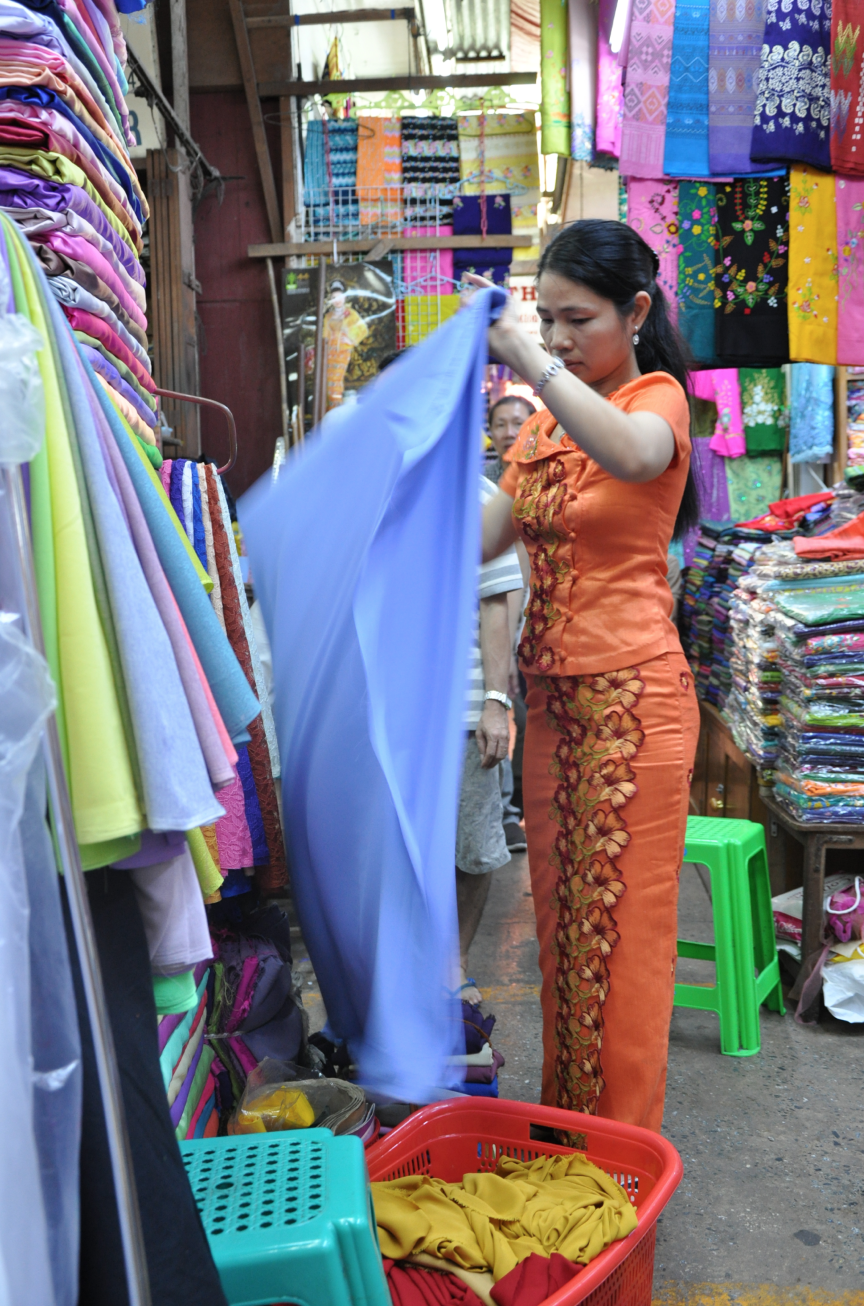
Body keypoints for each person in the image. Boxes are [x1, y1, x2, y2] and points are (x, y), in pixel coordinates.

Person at [472, 218, 700, 1133]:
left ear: (635, 310)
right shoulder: (539, 439)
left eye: (578, 319)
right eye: (547, 319)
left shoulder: (656, 402)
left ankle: (620, 1165)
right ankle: (574, 1144)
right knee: (568, 945)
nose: (560, 338)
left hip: (635, 707)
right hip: (558, 708)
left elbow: (636, 457)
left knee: (626, 949)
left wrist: (529, 361)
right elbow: (484, 542)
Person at [456, 475, 525, 1003]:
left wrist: (496, 703)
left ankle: (453, 968)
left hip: (460, 708)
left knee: (471, 847)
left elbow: (498, 601)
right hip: (387, 714)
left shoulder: (476, 493)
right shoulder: (370, 484)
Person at [486, 394, 538, 484]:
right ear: (491, 431)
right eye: (500, 425)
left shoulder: (548, 476)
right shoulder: (481, 480)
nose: (509, 433)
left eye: (518, 423)